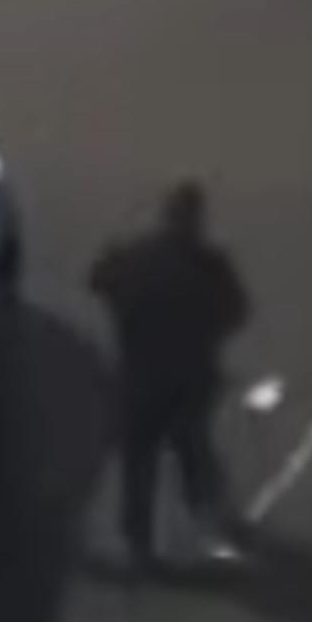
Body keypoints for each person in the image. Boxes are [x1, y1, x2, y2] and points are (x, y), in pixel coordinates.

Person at [87, 180, 254, 569]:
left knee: (139, 461)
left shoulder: (135, 257)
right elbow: (236, 313)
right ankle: (213, 521)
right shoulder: (211, 266)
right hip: (191, 379)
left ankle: (139, 543)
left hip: (140, 376)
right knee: (193, 451)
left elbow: (98, 280)